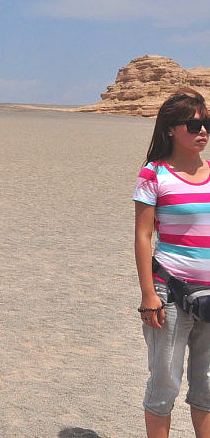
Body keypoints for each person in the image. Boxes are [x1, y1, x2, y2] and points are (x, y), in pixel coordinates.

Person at [134, 90, 210, 437]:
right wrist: (148, 295)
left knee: (207, 386)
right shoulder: (154, 174)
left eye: (206, 123)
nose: (202, 131)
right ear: (170, 129)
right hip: (170, 293)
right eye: (193, 125)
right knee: (165, 382)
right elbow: (143, 235)